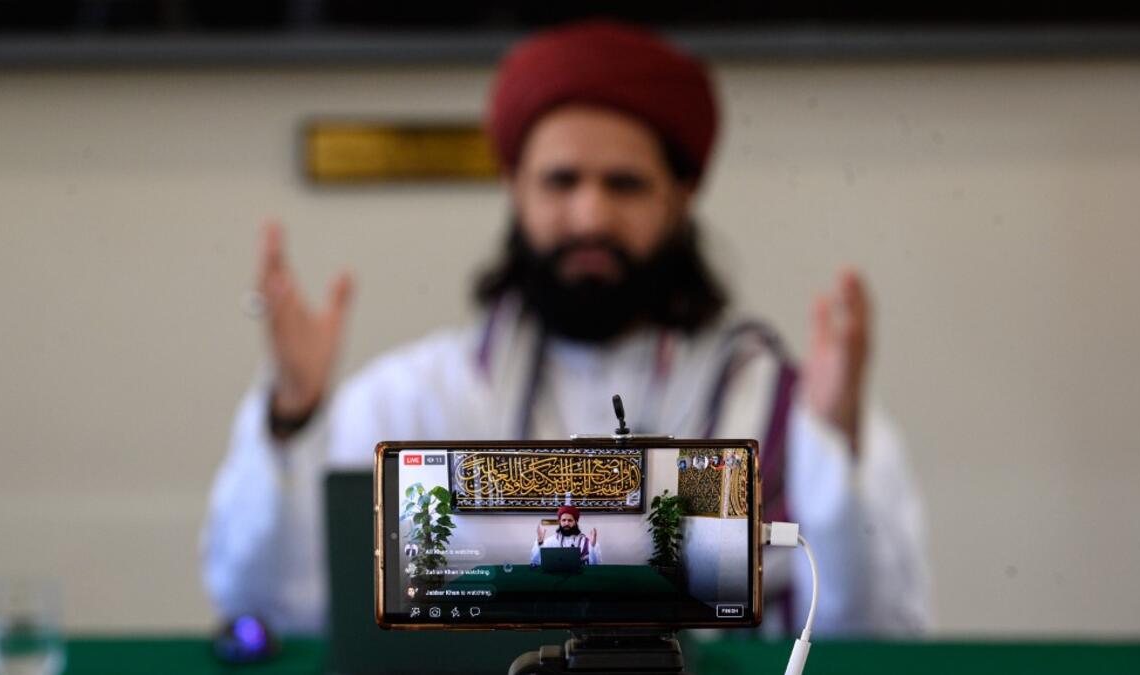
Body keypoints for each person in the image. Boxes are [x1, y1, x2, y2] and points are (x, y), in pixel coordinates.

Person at [201, 20, 930, 636]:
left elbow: (875, 637)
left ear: (682, 195)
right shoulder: (410, 401)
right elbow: (272, 609)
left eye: (624, 184)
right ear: (514, 187)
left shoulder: (780, 408)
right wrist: (292, 417)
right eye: (561, 181)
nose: (589, 217)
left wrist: (835, 449)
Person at [530, 506, 601, 566]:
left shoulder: (587, 542)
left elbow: (595, 564)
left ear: (575, 522)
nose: (566, 523)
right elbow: (535, 562)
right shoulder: (551, 541)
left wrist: (592, 546)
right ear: (560, 522)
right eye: (563, 520)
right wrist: (539, 543)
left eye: (570, 520)